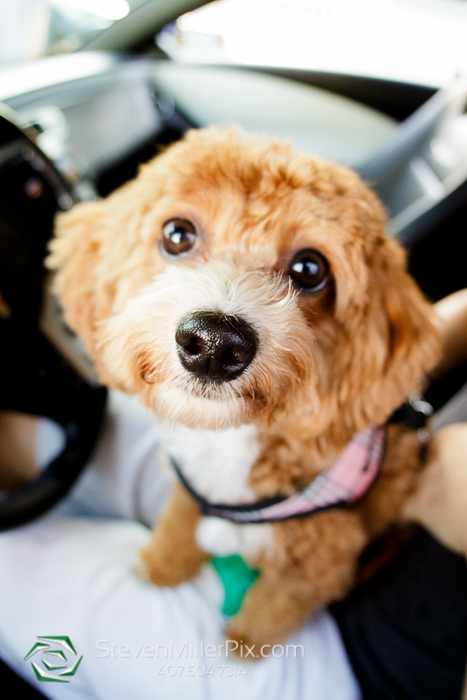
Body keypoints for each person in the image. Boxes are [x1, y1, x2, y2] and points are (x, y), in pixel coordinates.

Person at [0, 290, 466, 700]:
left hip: (349, 666)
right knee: (132, 439)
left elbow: (325, 568)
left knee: (11, 567)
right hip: (300, 468)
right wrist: (391, 369)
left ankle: (242, 620)